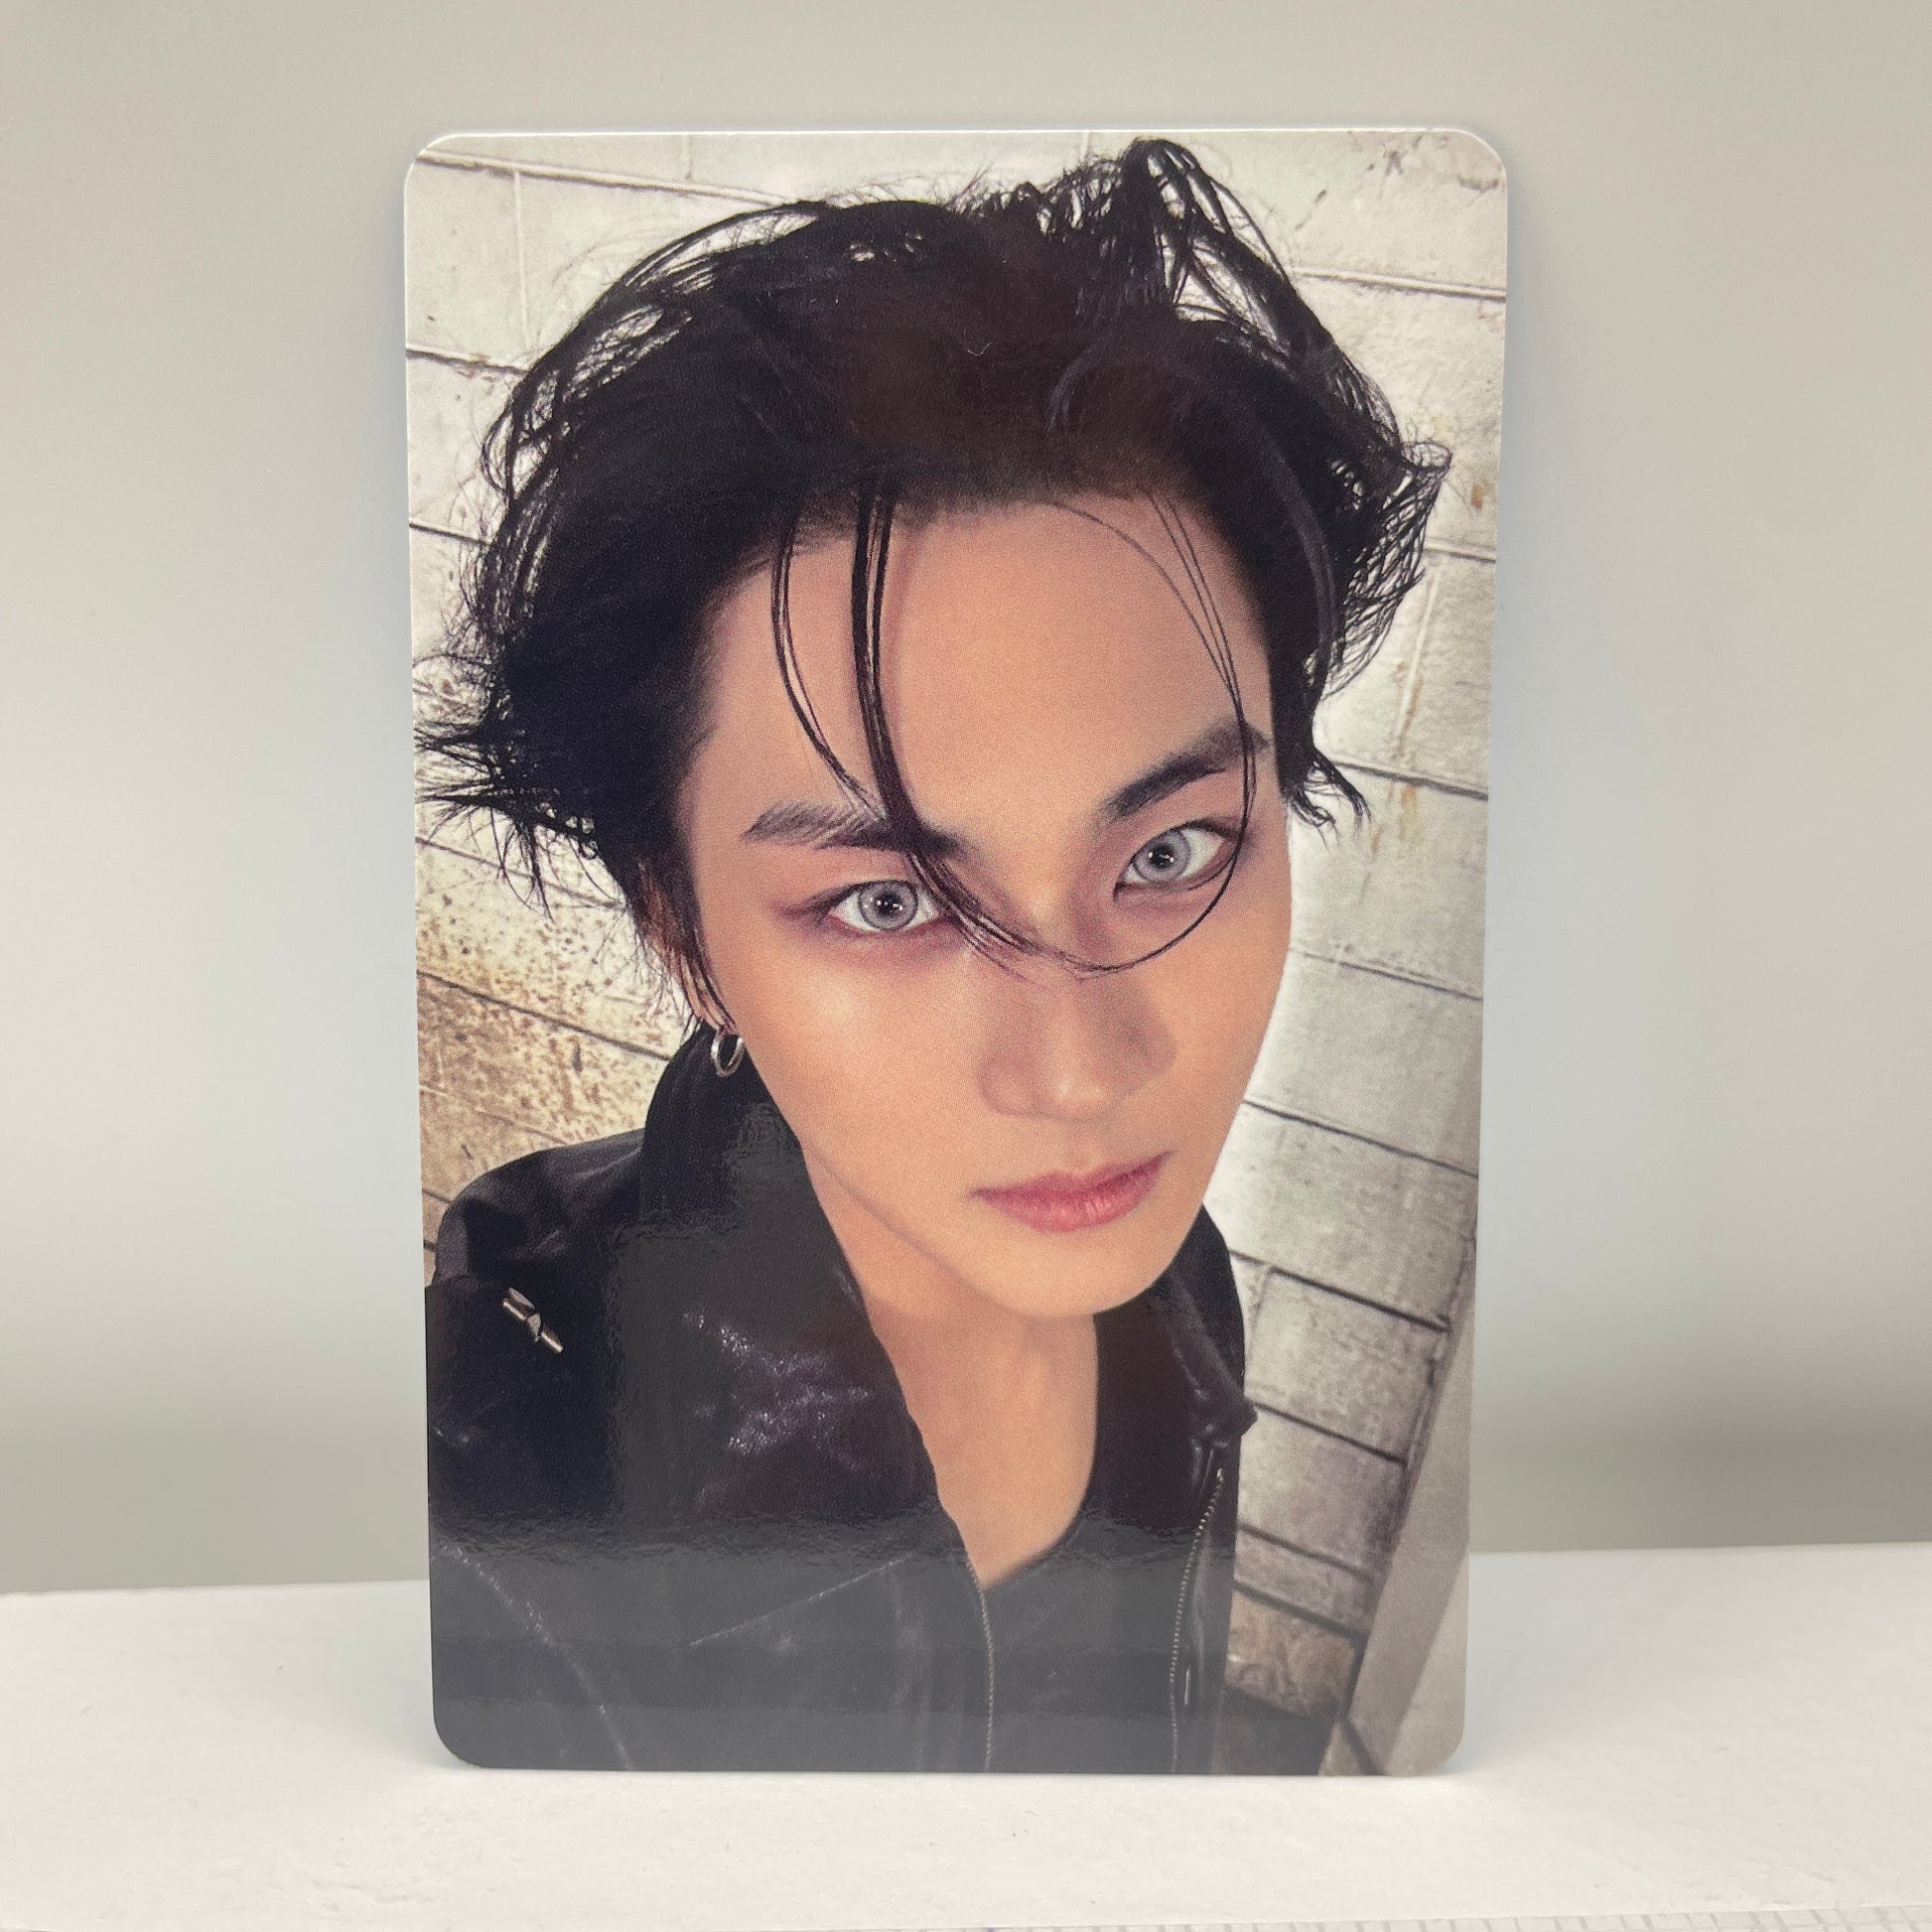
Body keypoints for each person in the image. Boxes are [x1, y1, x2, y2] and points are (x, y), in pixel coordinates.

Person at [418, 137, 1445, 1772]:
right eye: (887, 901)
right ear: (679, 923)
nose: (1080, 1072)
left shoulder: (1171, 1284)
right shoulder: (484, 1504)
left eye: (1170, 851)